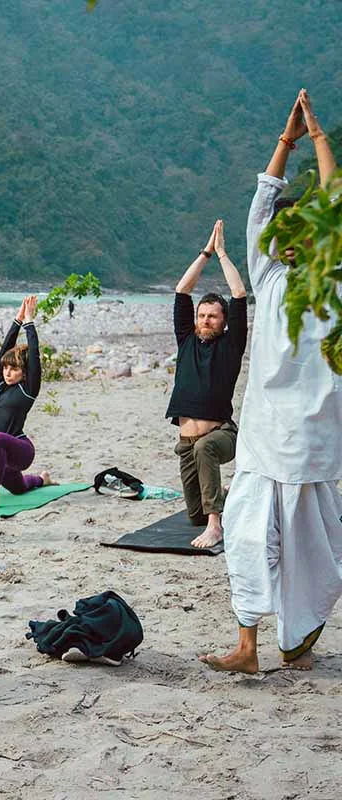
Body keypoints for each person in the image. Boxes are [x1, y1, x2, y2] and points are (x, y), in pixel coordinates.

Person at [201, 90, 342, 674]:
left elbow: (333, 205)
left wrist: (317, 139)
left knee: (312, 544)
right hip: (267, 432)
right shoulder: (272, 274)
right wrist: (288, 141)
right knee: (248, 529)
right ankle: (250, 645)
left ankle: (295, 639)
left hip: (311, 437)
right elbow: (262, 206)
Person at [166, 220, 247, 549]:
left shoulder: (230, 346)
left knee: (204, 447)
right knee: (195, 514)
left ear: (224, 321)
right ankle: (230, 500)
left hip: (222, 436)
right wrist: (205, 253)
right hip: (187, 444)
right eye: (202, 315)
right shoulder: (186, 339)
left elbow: (239, 294)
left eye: (212, 316)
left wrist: (224, 254)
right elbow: (182, 290)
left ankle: (217, 526)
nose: (205, 320)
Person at [0, 296, 57, 510]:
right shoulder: (0, 385)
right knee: (19, 487)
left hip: (21, 451)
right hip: (1, 454)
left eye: (14, 369)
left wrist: (30, 322)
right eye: (6, 369)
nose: (8, 373)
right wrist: (17, 320)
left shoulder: (28, 390)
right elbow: (4, 352)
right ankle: (42, 479)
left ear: (24, 373)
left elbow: (34, 355)